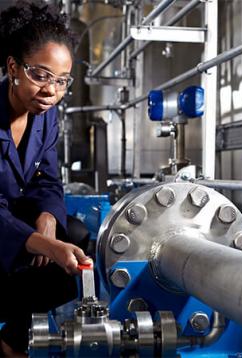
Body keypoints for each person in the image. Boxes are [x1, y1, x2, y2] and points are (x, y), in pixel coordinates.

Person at [0, 1, 93, 356]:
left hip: (19, 224)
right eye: (40, 75)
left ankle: (11, 338)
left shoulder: (45, 118)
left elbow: (48, 180)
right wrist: (43, 244)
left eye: (62, 81)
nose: (51, 90)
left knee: (78, 238)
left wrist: (48, 221)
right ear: (14, 68)